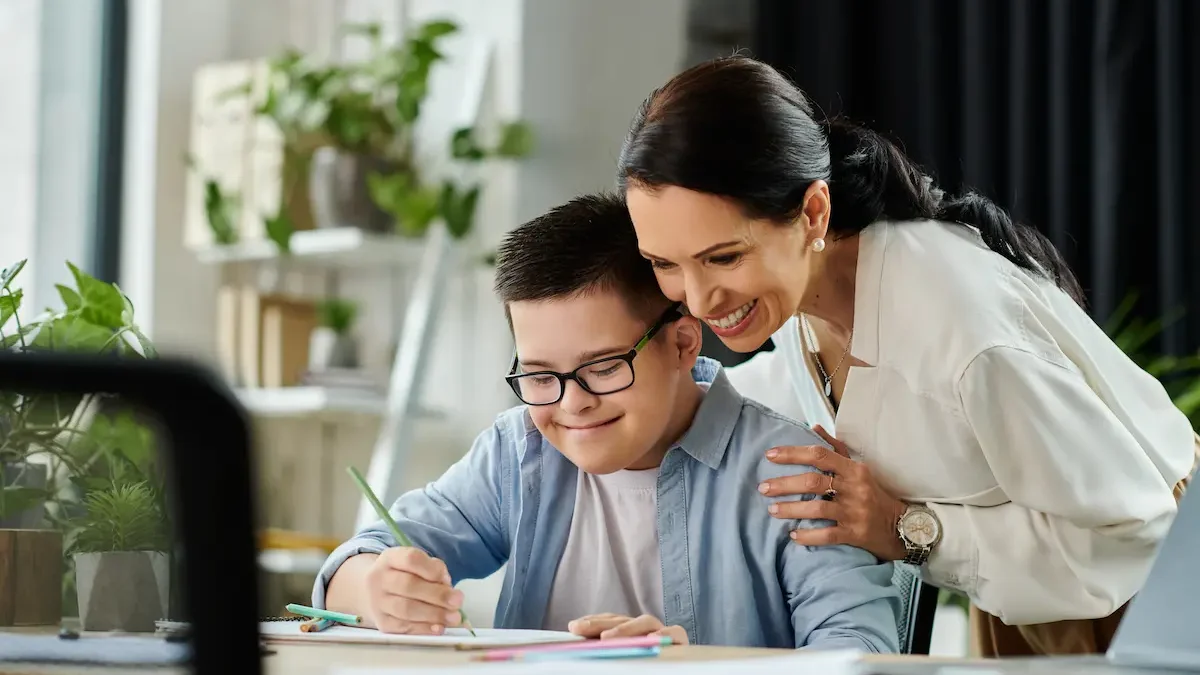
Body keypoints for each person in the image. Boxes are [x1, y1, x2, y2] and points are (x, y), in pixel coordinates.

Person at [614, 55, 1199, 656]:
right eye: (664, 264)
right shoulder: (810, 291)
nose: (699, 298)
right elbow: (761, 395)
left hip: (1152, 595)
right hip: (1030, 597)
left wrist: (905, 527)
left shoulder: (964, 338)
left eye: (724, 257)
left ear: (813, 212)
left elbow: (1135, 532)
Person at [312, 193, 901, 652]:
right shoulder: (518, 453)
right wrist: (372, 586)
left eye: (602, 367)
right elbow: (357, 562)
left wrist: (696, 668)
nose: (572, 405)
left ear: (683, 344)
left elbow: (862, 651)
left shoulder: (790, 472)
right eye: (540, 376)